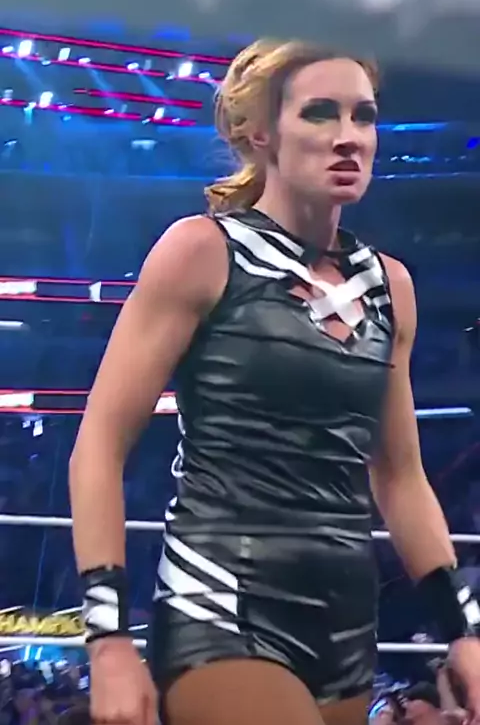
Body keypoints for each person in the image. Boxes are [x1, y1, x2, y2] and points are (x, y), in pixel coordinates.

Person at [69, 39, 480, 725]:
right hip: (220, 602)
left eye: (363, 115)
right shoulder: (201, 250)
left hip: (346, 623)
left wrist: (463, 631)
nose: (348, 136)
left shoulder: (390, 286)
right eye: (320, 113)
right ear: (260, 132)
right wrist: (108, 639)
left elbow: (400, 477)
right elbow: (99, 447)